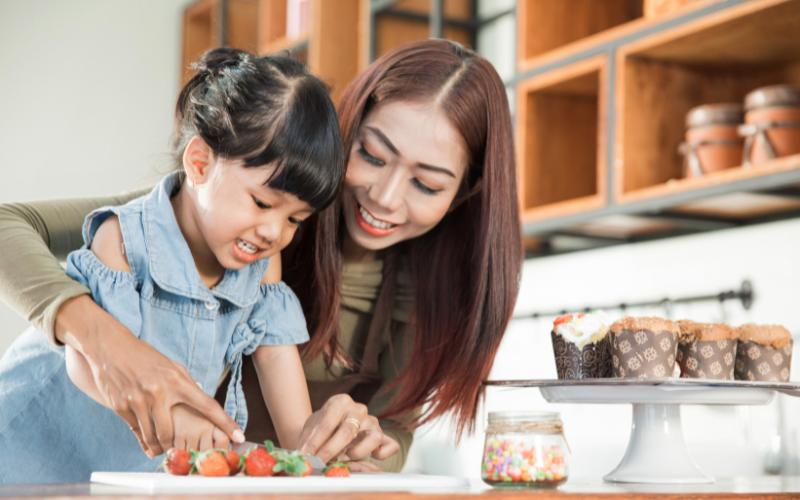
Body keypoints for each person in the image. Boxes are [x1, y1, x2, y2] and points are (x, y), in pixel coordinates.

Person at [0, 39, 522, 474]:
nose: (385, 197)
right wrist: (109, 343)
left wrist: (342, 455)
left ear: (466, 193)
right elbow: (10, 226)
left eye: (427, 184)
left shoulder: (279, 241)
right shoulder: (222, 205)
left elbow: (384, 422)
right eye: (371, 155)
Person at [0, 47, 344, 483]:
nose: (275, 232)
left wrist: (313, 454)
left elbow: (283, 379)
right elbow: (86, 364)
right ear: (199, 163)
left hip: (121, 474)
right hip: (23, 451)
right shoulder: (124, 237)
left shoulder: (263, 266)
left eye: (295, 219)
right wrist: (179, 419)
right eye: (261, 203)